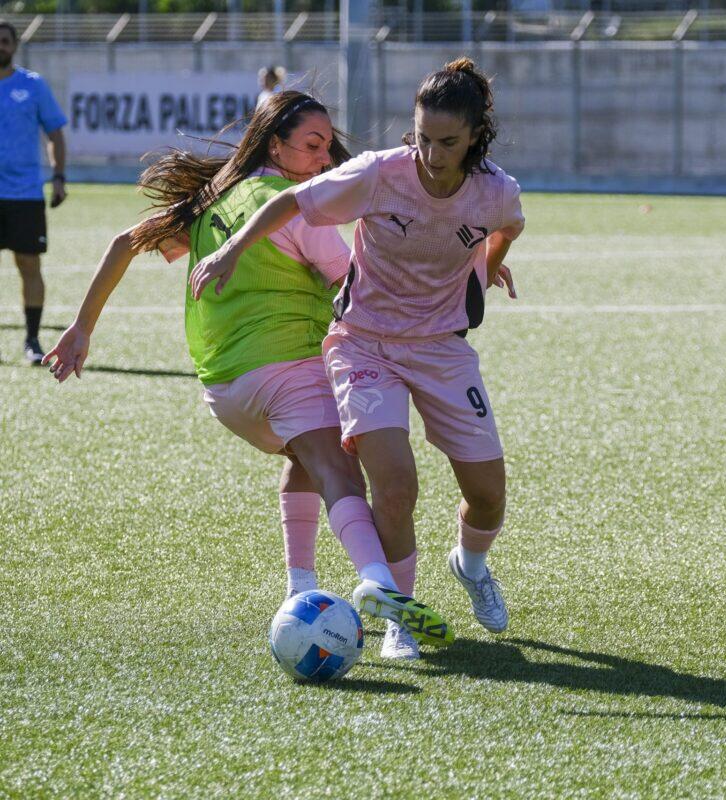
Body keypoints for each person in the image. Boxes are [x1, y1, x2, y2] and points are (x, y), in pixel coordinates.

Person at [43, 91, 452, 659]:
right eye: (310, 145)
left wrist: (81, 329)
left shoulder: (215, 197)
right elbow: (353, 286)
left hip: (225, 390)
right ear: (275, 144)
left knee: (303, 461)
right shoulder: (293, 204)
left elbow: (122, 243)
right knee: (341, 470)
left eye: (327, 145)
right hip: (285, 367)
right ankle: (380, 587)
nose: (322, 156)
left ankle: (301, 588)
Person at [190, 58, 523, 659]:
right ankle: (402, 617)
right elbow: (292, 201)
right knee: (394, 485)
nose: (431, 153)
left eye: (447, 142)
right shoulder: (378, 175)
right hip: (363, 343)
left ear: (476, 136)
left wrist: (487, 267)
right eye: (422, 138)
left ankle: (470, 565)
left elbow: (506, 227)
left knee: (490, 493)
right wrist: (234, 248)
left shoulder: (496, 189)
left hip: (442, 349)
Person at [0, 19, 67, 365]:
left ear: (15, 45)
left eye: (6, 40)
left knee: (29, 264)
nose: (1, 45)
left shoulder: (33, 85)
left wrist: (58, 176)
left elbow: (55, 133)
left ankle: (31, 339)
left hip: (24, 192)